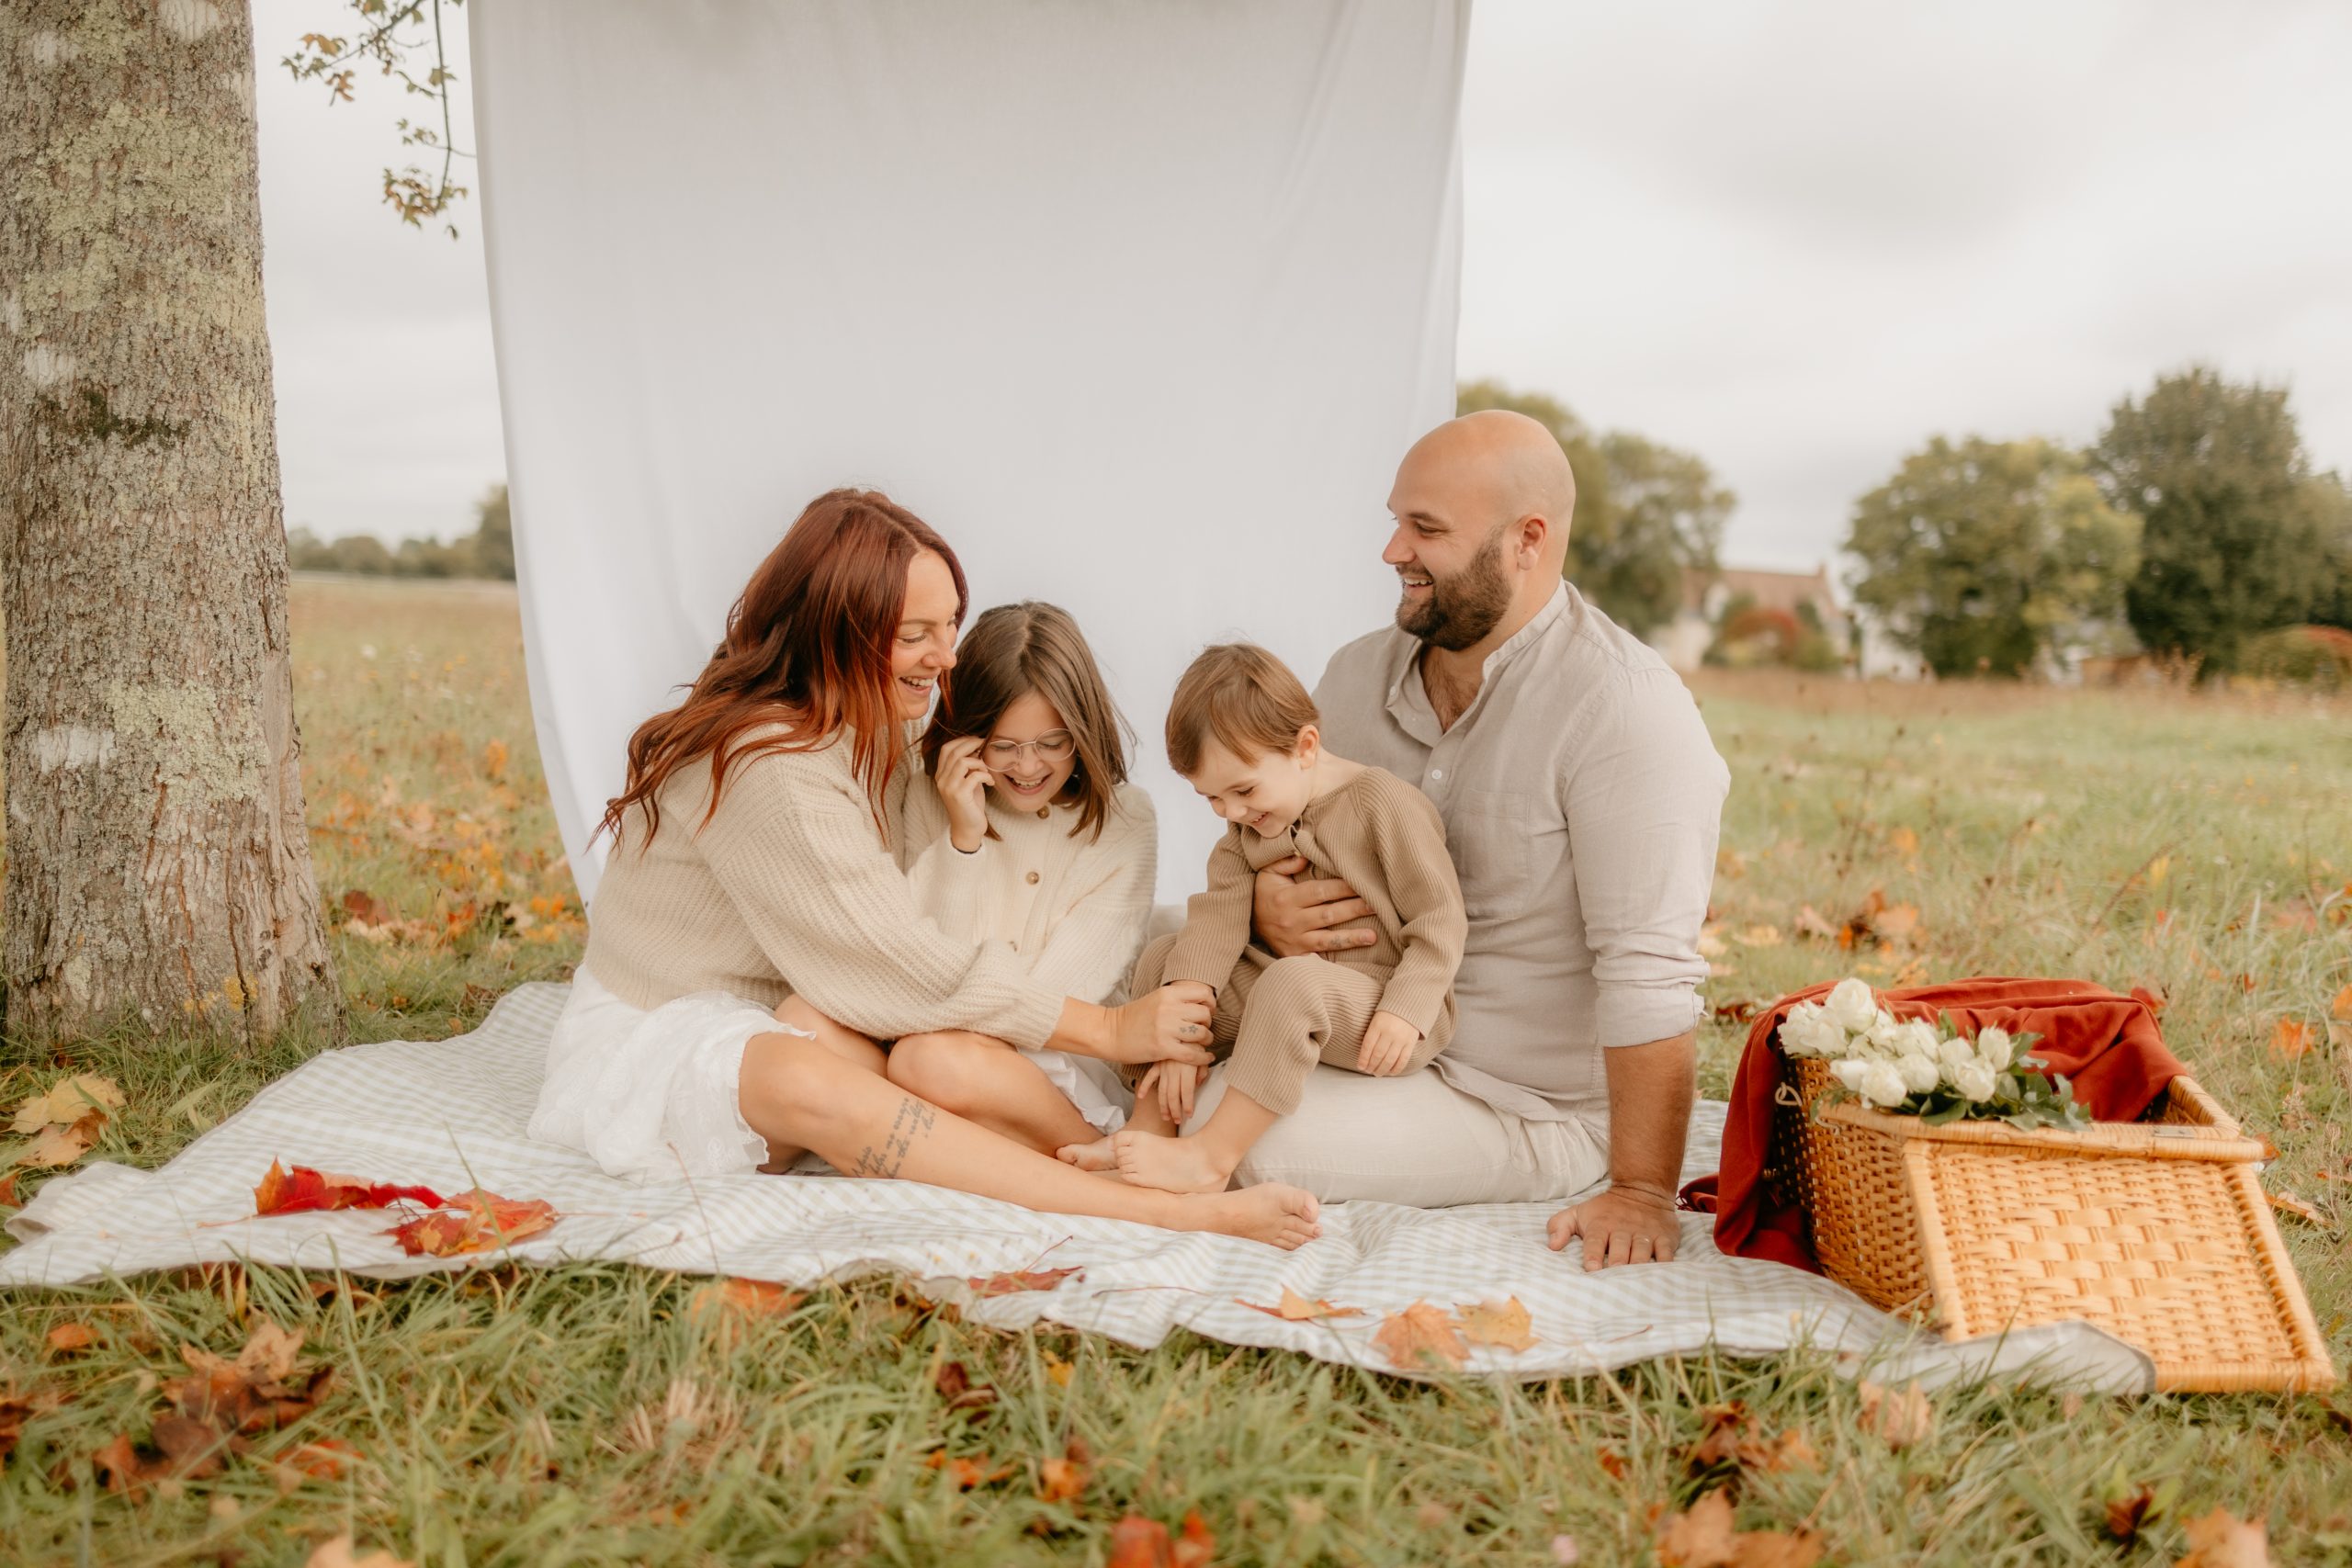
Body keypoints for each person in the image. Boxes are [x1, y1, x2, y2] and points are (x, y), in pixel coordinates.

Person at [526, 488, 1319, 1250]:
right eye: (917, 634)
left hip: (809, 1013)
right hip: (658, 1032)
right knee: (803, 1066)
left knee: (856, 1043)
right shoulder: (769, 764)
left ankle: (1036, 1153)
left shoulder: (875, 726)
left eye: (951, 627)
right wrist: (1110, 1028)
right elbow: (900, 960)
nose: (946, 660)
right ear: (836, 631)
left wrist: (1253, 909)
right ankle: (1155, 1212)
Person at [1203, 411, 1729, 1269]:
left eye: (1426, 528)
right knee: (1156, 954)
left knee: (1251, 1139)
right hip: (1361, 1020)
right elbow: (1277, 833)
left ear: (1527, 540)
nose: (1391, 550)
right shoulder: (1353, 675)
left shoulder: (1628, 711)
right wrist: (1267, 904)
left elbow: (1651, 971)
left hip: (1516, 1100)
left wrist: (1640, 1189)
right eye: (1395, 519)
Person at [1060, 643, 1465, 1196]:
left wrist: (1407, 1009)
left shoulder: (1384, 806)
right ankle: (1148, 1125)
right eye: (1211, 799)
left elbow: (1440, 918)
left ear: (1304, 747)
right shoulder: (1246, 830)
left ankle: (1211, 1157)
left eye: (1243, 790)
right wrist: (1182, 1038)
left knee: (1290, 982)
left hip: (1381, 1006)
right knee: (1165, 961)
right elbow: (1215, 924)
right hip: (1288, 988)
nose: (1229, 813)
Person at [875, 601, 1158, 1153]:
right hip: (944, 1052)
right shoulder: (932, 799)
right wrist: (964, 839)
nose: (1028, 768)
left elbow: (1066, 992)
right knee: (894, 1054)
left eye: (1052, 744)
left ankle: (1096, 1157)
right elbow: (918, 967)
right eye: (1003, 745)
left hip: (1054, 1059)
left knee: (925, 1060)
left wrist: (962, 1004)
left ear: (1084, 727)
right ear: (968, 734)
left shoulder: (1126, 820)